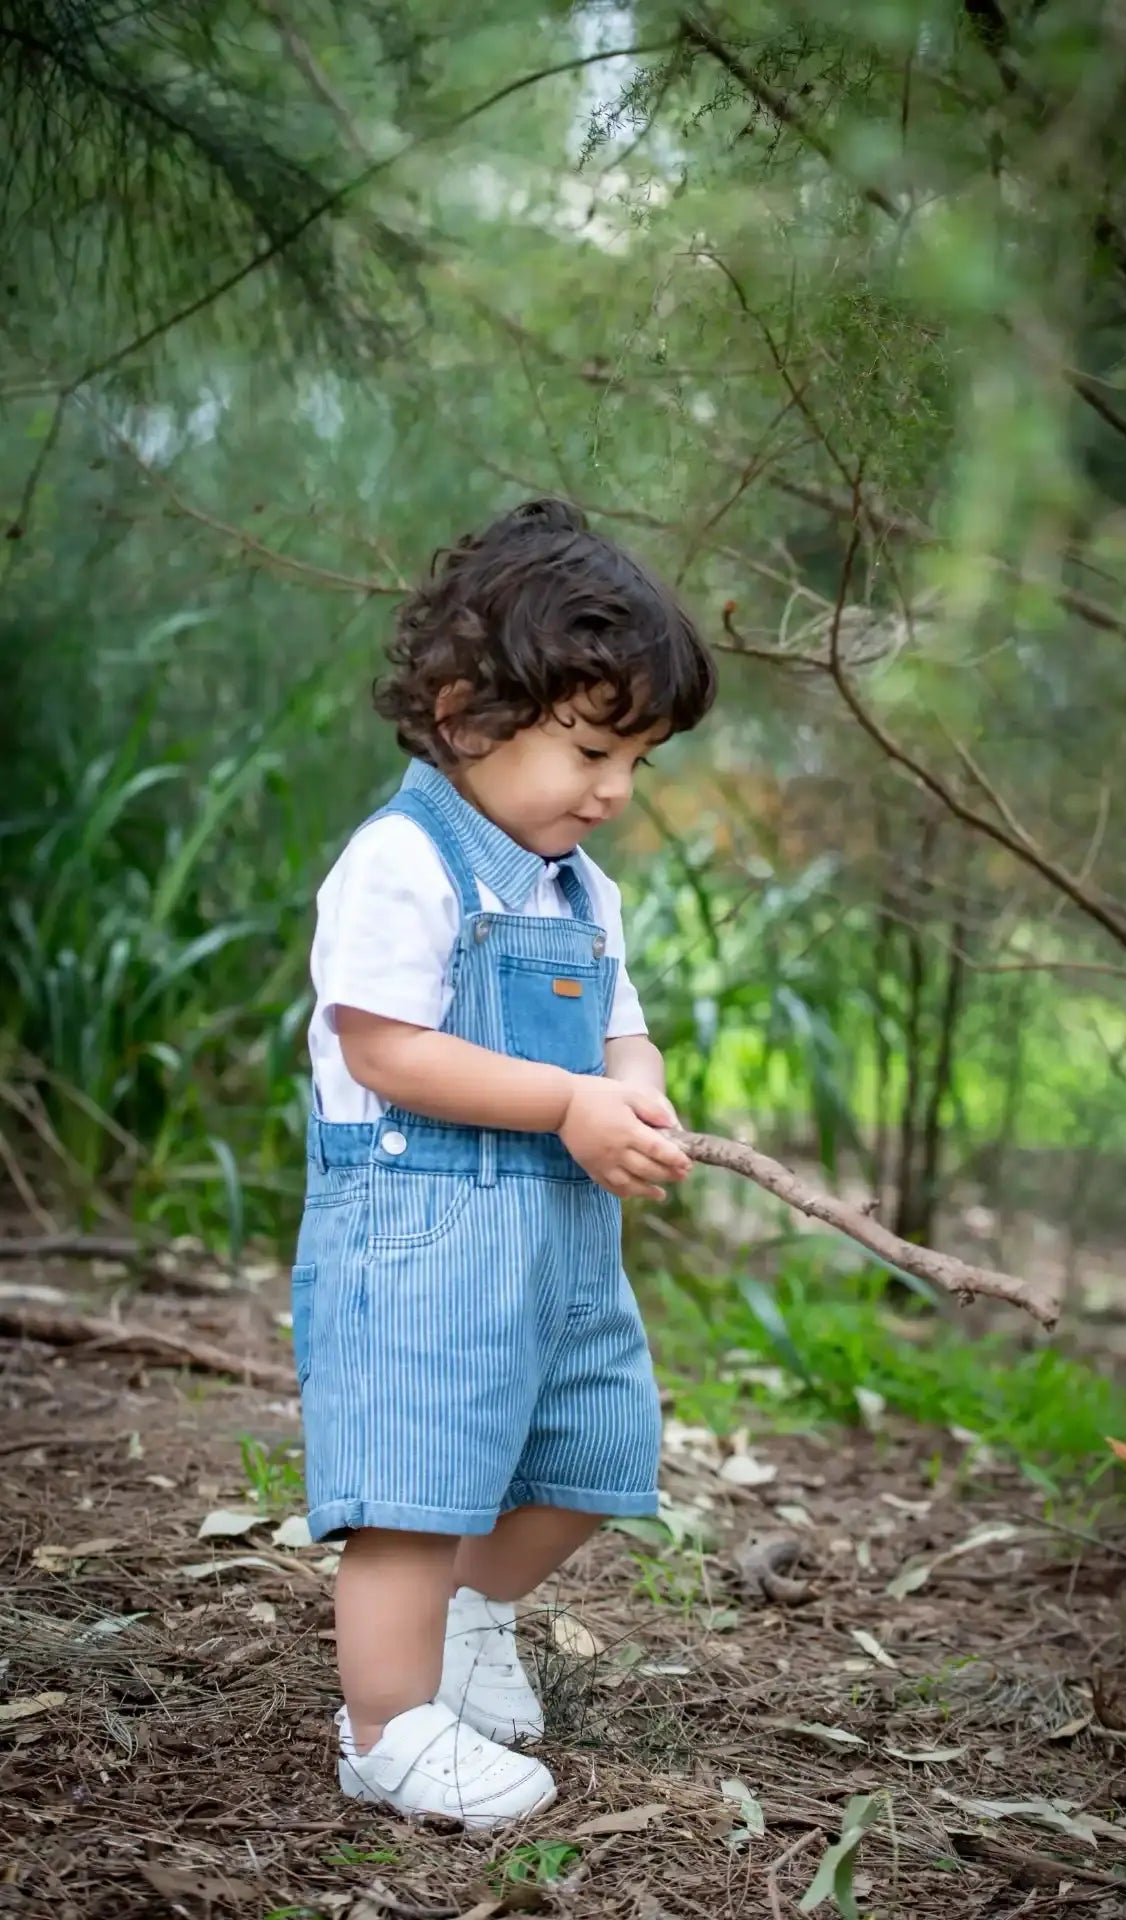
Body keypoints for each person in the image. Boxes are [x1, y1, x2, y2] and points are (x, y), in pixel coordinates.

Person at [294, 497, 717, 1827]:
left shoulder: (585, 893)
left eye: (636, 762)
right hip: (418, 1230)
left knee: (599, 1450)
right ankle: (387, 1729)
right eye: (592, 749)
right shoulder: (403, 863)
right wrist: (568, 1107)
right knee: (416, 1487)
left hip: (553, 1242)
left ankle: (474, 1614)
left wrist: (633, 1098)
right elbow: (386, 1051)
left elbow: (624, 1034)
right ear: (468, 710)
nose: (612, 792)